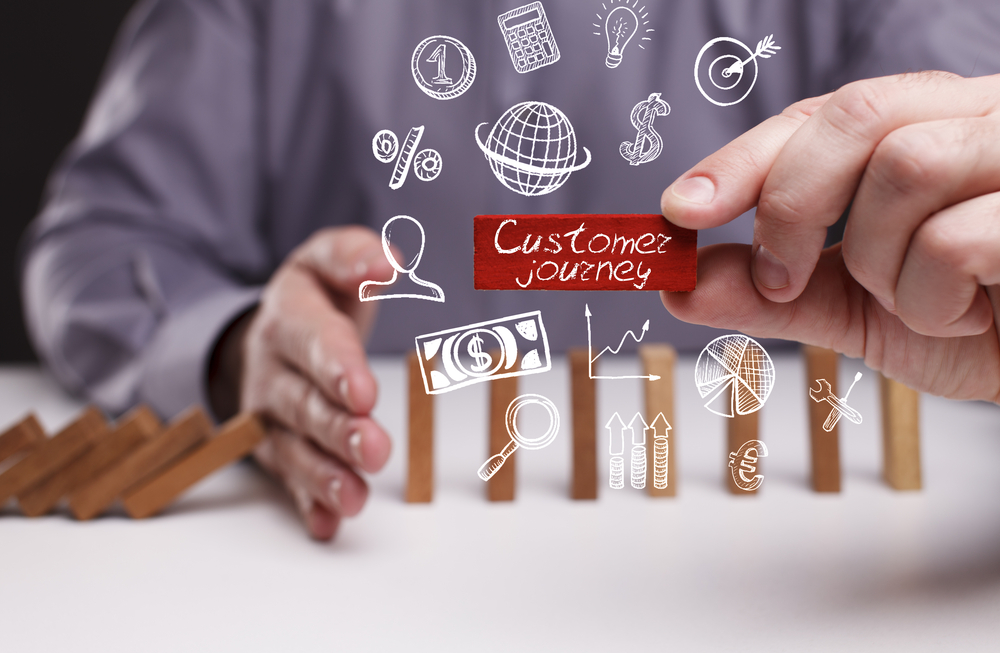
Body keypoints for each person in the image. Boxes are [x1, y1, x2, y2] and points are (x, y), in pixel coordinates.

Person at [21, 0, 1000, 539]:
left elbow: (967, 147)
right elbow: (102, 242)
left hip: (798, 538)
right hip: (375, 530)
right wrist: (237, 348)